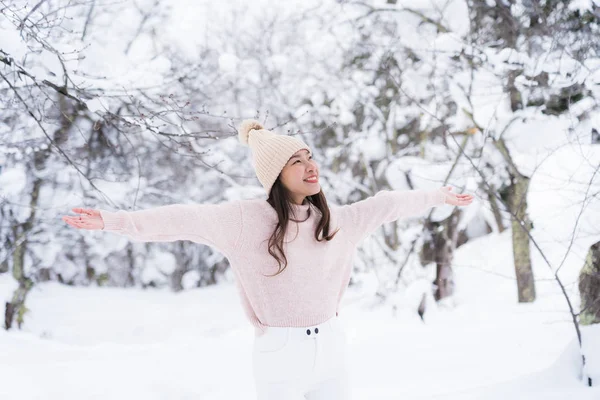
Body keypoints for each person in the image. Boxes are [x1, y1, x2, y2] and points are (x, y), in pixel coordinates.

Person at [62, 119, 473, 399]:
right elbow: (184, 218)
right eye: (297, 160)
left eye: (309, 156)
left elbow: (388, 204)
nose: (310, 166)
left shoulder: (334, 222)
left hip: (332, 348)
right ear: (276, 174)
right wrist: (111, 221)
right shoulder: (246, 221)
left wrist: (438, 196)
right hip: (281, 354)